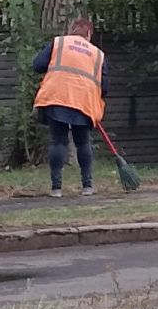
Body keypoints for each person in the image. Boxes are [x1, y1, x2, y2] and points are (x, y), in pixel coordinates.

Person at [32, 18, 108, 198]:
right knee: (82, 142)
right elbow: (105, 86)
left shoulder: (59, 43)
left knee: (58, 141)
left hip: (56, 97)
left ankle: (56, 188)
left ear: (71, 30)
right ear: (89, 34)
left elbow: (37, 65)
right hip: (84, 102)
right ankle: (87, 186)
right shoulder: (97, 54)